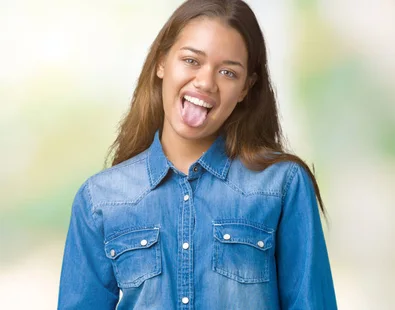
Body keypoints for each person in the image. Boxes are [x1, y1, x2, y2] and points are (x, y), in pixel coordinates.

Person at [57, 0, 337, 309]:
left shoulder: (281, 186)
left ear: (246, 88)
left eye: (228, 72)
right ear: (162, 61)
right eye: (191, 60)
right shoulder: (100, 199)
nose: (205, 82)